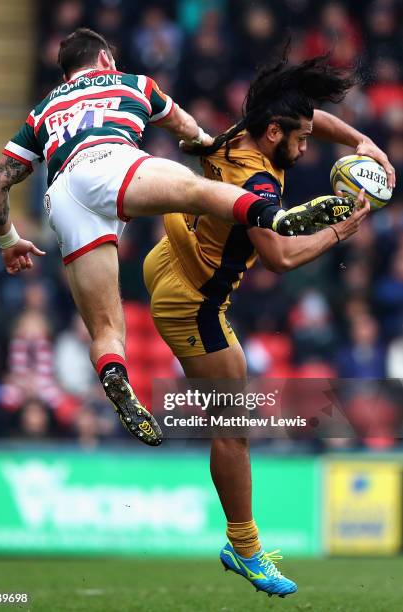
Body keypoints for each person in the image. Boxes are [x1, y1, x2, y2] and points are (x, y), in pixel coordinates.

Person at [0, 29, 360, 448]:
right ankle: (278, 217)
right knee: (195, 189)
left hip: (64, 195)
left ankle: (114, 375)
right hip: (111, 162)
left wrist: (8, 241)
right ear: (106, 58)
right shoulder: (130, 83)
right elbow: (188, 130)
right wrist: (204, 144)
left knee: (107, 329)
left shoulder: (41, 112)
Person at [143, 53, 395, 596]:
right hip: (193, 302)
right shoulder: (257, 187)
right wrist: (341, 232)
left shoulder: (248, 126)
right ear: (274, 132)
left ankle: (243, 541)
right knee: (233, 426)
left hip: (172, 255)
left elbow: (312, 120)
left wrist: (360, 143)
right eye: (299, 139)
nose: (306, 148)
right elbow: (279, 259)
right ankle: (245, 547)